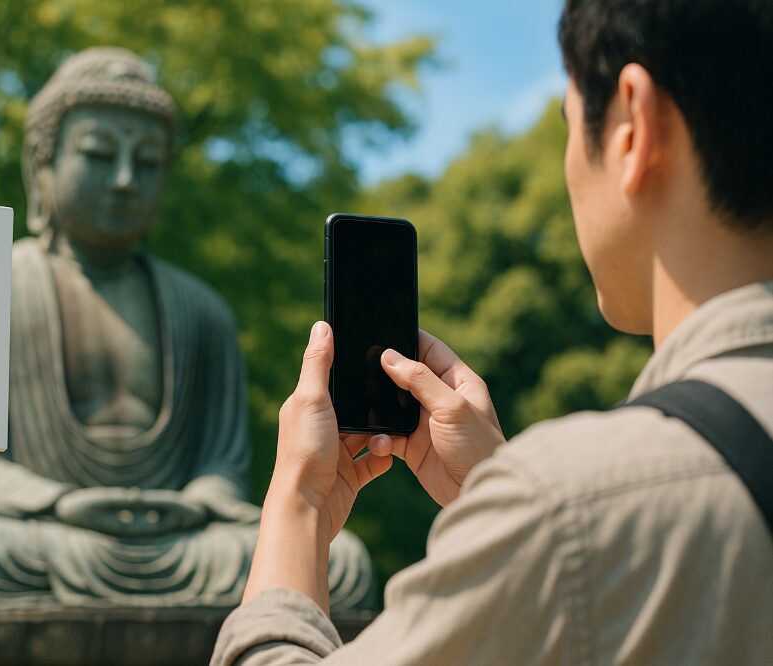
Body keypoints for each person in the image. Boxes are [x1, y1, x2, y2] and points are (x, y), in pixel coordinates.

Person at [212, 0, 773, 662]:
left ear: (630, 123)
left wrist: (298, 505)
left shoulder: (570, 509)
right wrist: (494, 496)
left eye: (569, 123)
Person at [0, 47, 374, 610]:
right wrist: (58, 503)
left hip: (184, 542)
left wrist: (197, 502)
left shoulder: (201, 310)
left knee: (342, 562)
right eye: (99, 155)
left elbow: (221, 467)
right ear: (42, 163)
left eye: (148, 163)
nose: (126, 180)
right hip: (45, 533)